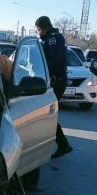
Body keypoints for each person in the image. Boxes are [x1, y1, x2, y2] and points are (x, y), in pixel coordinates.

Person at [35, 15, 73, 158]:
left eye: (38, 30)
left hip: (56, 81)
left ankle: (63, 145)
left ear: (43, 28)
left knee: (47, 114)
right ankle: (62, 145)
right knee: (47, 114)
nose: (38, 33)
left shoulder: (53, 39)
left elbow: (52, 61)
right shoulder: (54, 38)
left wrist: (44, 75)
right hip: (55, 81)